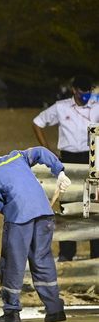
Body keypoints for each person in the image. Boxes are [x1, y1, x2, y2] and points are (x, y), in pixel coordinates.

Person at [0, 143, 70, 322]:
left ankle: (12, 313)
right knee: (42, 260)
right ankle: (55, 310)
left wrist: (14, 210)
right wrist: (59, 171)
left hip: (19, 218)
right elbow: (40, 151)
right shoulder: (16, 157)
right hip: (44, 214)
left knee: (12, 264)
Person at [32, 75, 99, 260]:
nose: (85, 94)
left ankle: (96, 254)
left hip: (91, 158)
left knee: (93, 204)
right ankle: (67, 253)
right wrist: (47, 150)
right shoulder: (61, 107)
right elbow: (38, 122)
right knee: (68, 204)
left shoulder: (96, 106)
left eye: (88, 91)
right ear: (74, 90)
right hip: (68, 159)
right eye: (81, 90)